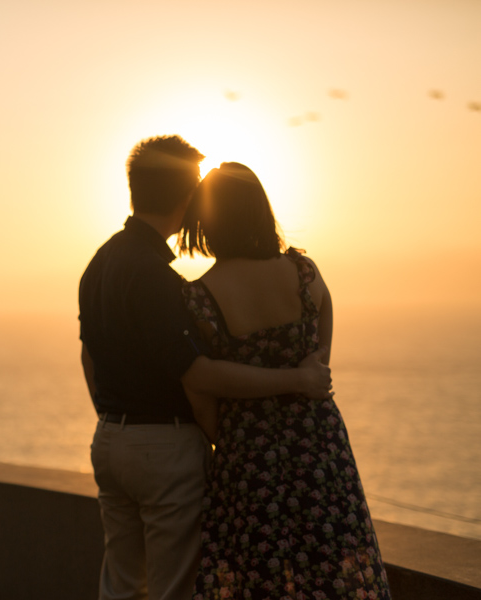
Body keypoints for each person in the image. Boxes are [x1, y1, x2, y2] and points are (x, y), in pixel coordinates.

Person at [79, 137, 333, 600]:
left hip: (110, 438)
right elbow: (197, 373)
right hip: (162, 445)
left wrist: (114, 421)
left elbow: (89, 356)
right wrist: (297, 379)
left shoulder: (100, 262)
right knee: (173, 588)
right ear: (185, 196)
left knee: (121, 585)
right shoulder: (158, 279)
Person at [178, 162, 391, 600]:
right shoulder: (304, 271)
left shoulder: (199, 297)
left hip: (247, 453)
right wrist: (312, 370)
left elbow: (201, 389)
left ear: (207, 222)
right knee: (333, 566)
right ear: (261, 210)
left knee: (257, 576)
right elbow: (325, 318)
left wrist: (228, 436)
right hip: (319, 442)